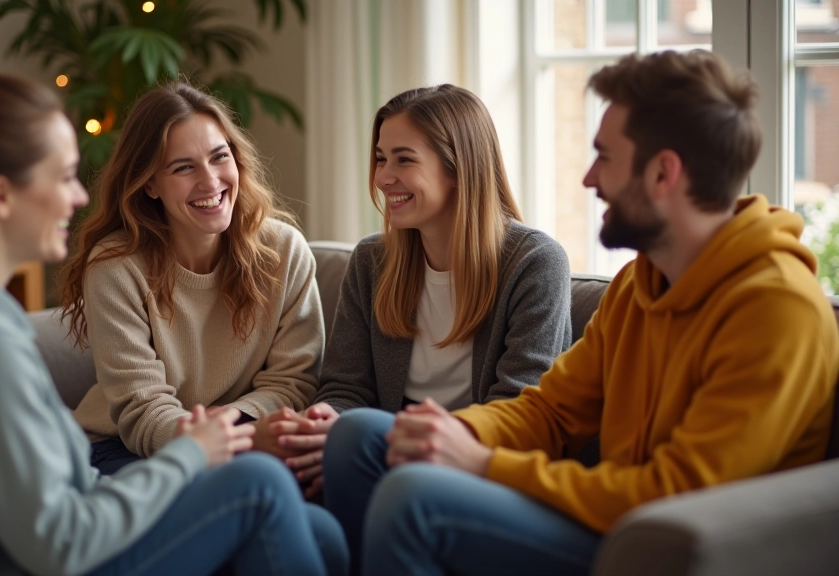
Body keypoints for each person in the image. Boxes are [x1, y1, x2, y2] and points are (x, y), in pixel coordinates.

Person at [0, 49, 346, 576]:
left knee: (317, 532)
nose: (77, 196)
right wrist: (192, 455)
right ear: (1, 196)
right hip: (25, 555)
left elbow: (53, 493)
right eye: (65, 175)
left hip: (30, 536)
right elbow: (61, 540)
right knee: (260, 488)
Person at [355, 50, 839, 576]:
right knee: (366, 439)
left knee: (415, 500)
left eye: (604, 157)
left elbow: (679, 491)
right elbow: (552, 410)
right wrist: (459, 435)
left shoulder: (775, 309)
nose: (588, 179)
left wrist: (485, 463)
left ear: (662, 173)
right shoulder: (640, 285)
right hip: (608, 519)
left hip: (683, 546)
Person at [270, 84, 573, 559]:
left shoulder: (534, 262)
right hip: (380, 459)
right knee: (317, 454)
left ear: (459, 168)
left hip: (480, 466)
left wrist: (379, 436)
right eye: (380, 158)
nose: (383, 177)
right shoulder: (373, 261)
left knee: (353, 439)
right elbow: (346, 389)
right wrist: (325, 416)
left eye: (403, 160)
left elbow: (520, 409)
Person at [60, 82, 324, 476]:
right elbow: (142, 409)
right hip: (125, 450)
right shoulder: (116, 267)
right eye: (183, 167)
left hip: (244, 439)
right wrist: (231, 437)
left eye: (220, 157)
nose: (210, 181)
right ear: (150, 183)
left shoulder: (284, 251)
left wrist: (232, 424)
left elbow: (295, 381)